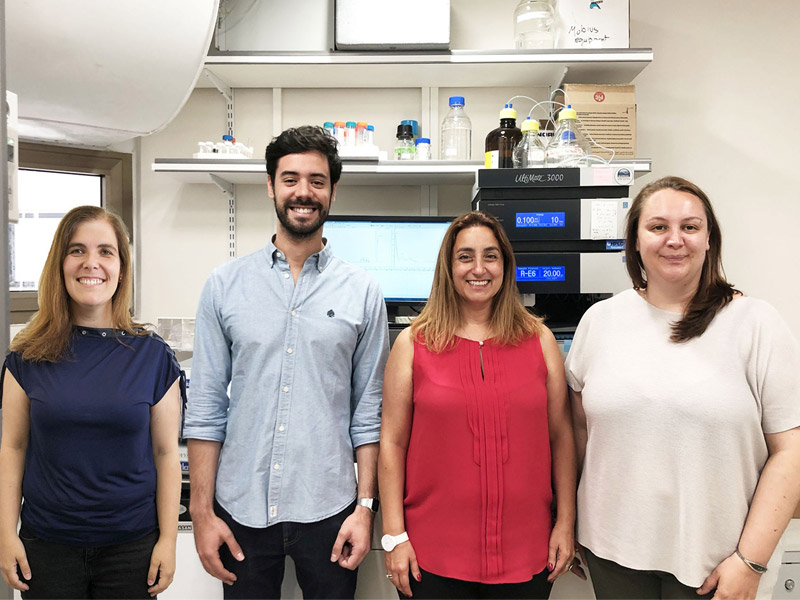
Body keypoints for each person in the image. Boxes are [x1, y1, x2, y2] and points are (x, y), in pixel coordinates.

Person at [565, 176, 800, 600]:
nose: (675, 239)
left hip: (717, 563)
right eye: (658, 227)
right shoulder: (600, 321)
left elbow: (792, 450)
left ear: (709, 239)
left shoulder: (755, 324)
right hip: (611, 552)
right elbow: (581, 431)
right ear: (635, 241)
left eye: (690, 227)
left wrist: (750, 561)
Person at [184, 125, 390, 599]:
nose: (304, 192)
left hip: (330, 509)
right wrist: (202, 512)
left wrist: (365, 509)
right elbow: (207, 406)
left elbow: (368, 412)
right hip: (240, 508)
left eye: (317, 181)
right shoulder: (224, 285)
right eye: (291, 178)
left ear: (332, 191)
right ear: (271, 186)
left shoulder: (363, 291)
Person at [379, 210, 579, 599]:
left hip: (527, 552)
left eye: (490, 256)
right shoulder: (413, 344)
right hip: (431, 555)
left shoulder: (539, 340)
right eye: (465, 256)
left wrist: (565, 522)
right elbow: (392, 442)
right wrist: (393, 535)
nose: (479, 268)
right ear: (448, 266)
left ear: (505, 265)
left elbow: (562, 437)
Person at [0, 206, 183, 599]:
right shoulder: (25, 358)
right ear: (60, 264)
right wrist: (5, 535)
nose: (91, 263)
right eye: (77, 250)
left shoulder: (152, 356)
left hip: (132, 548)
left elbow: (167, 453)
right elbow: (12, 448)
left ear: (121, 267)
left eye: (106, 252)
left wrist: (168, 540)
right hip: (46, 549)